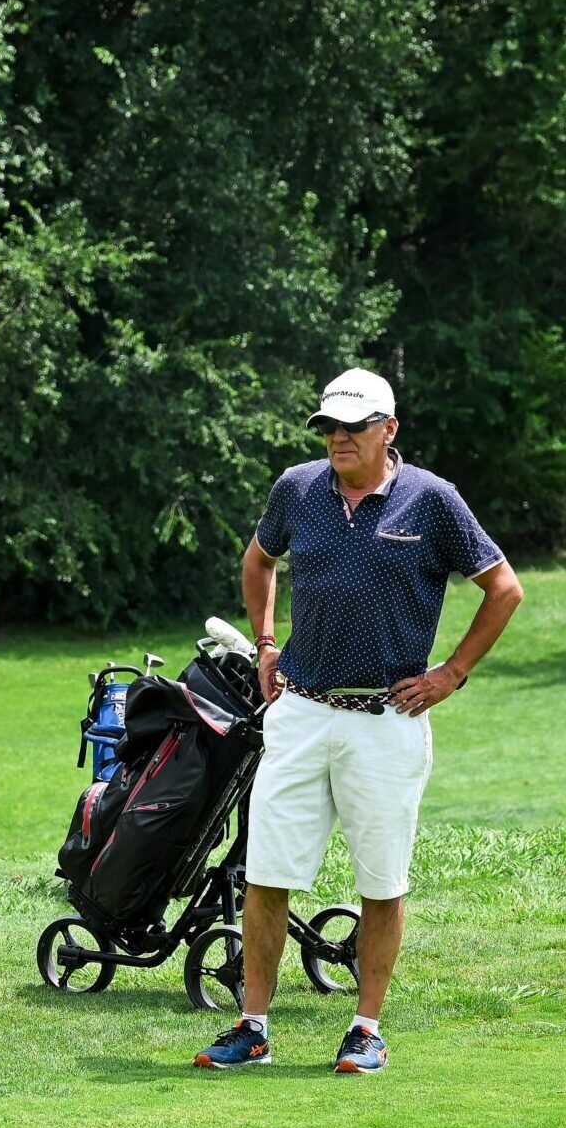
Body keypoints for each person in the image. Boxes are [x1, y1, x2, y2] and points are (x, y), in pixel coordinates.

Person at [194, 367, 523, 1074]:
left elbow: (503, 586)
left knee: (381, 879)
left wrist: (450, 673)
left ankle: (365, 1028)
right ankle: (251, 1025)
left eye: (354, 426)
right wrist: (266, 643)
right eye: (329, 428)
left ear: (388, 430)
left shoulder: (431, 501)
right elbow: (258, 561)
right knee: (267, 873)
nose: (339, 438)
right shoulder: (299, 489)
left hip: (385, 718)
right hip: (302, 711)